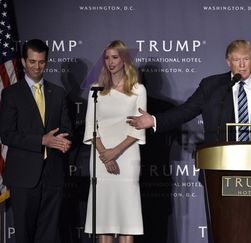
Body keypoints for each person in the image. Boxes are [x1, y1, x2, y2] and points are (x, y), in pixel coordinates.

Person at [0, 39, 72, 243]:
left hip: (53, 175)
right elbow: (7, 134)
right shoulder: (11, 94)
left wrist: (64, 140)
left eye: (41, 62)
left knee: (48, 235)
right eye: (32, 61)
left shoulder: (58, 93)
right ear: (23, 62)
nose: (36, 66)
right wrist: (42, 140)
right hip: (24, 177)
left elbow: (66, 128)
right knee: (24, 235)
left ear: (46, 62)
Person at [83, 40, 146, 243]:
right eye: (107, 57)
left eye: (115, 57)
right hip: (101, 160)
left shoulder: (138, 89)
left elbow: (138, 127)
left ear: (124, 59)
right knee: (104, 219)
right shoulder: (95, 89)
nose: (110, 62)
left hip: (127, 159)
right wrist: (105, 155)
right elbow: (91, 126)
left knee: (127, 218)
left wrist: (114, 152)